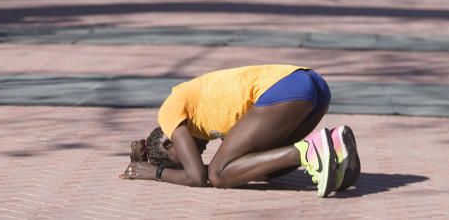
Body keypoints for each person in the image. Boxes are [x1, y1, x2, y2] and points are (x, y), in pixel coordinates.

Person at [120, 65, 360, 197]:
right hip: (313, 86)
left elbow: (198, 178)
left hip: (286, 89)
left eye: (181, 160)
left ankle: (309, 151)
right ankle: (335, 152)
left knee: (219, 174)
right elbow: (241, 165)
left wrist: (156, 173)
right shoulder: (207, 119)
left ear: (168, 143)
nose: (194, 157)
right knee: (260, 170)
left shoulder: (168, 113)